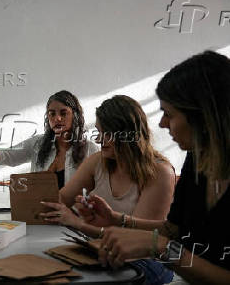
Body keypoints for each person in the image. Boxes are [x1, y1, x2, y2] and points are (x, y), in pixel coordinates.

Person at [69, 51, 230, 284]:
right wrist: (117, 220)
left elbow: (169, 242)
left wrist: (162, 247)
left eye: (169, 114)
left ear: (204, 116)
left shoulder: (163, 169)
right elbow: (174, 230)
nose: (162, 123)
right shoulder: (198, 159)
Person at [40, 95, 176, 284]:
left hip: (146, 260)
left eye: (106, 133)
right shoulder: (99, 161)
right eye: (98, 131)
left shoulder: (160, 172)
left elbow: (137, 241)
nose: (98, 139)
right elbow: (60, 200)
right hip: (102, 247)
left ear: (127, 133)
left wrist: (79, 224)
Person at [0, 90, 99, 188]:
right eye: (52, 114)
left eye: (63, 113)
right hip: (40, 213)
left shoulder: (90, 149)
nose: (57, 118)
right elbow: (9, 155)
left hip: (74, 215)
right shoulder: (37, 144)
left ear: (75, 115)